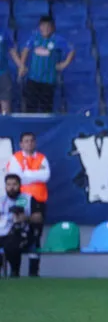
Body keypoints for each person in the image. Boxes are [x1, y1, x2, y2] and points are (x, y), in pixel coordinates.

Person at [5, 132, 49, 277]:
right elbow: (16, 177)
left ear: (35, 143)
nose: (29, 143)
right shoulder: (15, 158)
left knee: (35, 235)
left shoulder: (41, 158)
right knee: (14, 232)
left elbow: (45, 176)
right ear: (21, 144)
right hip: (19, 200)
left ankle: (33, 272)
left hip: (39, 201)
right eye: (26, 141)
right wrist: (35, 174)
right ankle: (14, 270)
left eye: (31, 141)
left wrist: (26, 173)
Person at [18, 16, 74, 113]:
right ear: (39, 27)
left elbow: (71, 51)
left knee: (46, 109)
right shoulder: (34, 38)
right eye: (43, 26)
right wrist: (22, 66)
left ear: (52, 28)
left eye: (48, 26)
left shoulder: (58, 40)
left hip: (48, 80)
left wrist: (64, 64)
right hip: (33, 79)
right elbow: (25, 50)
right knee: (30, 108)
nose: (46, 29)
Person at [0, 174, 32, 278]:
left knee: (11, 243)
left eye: (14, 184)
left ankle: (14, 271)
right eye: (9, 184)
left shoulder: (28, 199)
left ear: (19, 185)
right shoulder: (1, 200)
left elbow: (39, 218)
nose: (11, 187)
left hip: (19, 233)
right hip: (2, 231)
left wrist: (25, 218)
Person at [0, 27, 24, 114]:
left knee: (5, 106)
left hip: (3, 74)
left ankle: (5, 121)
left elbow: (12, 51)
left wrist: (20, 65)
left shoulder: (4, 33)